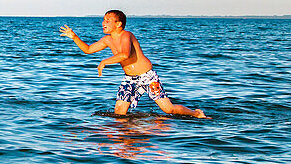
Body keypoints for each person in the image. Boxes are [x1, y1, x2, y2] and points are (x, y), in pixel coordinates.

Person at [60, 10, 207, 118]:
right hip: (129, 79)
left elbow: (125, 54)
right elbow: (88, 49)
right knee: (119, 113)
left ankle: (196, 113)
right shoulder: (107, 39)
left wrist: (104, 61)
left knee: (168, 110)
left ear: (119, 24)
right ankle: (127, 136)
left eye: (108, 20)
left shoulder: (126, 35)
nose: (103, 23)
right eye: (103, 20)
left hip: (147, 77)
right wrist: (74, 36)